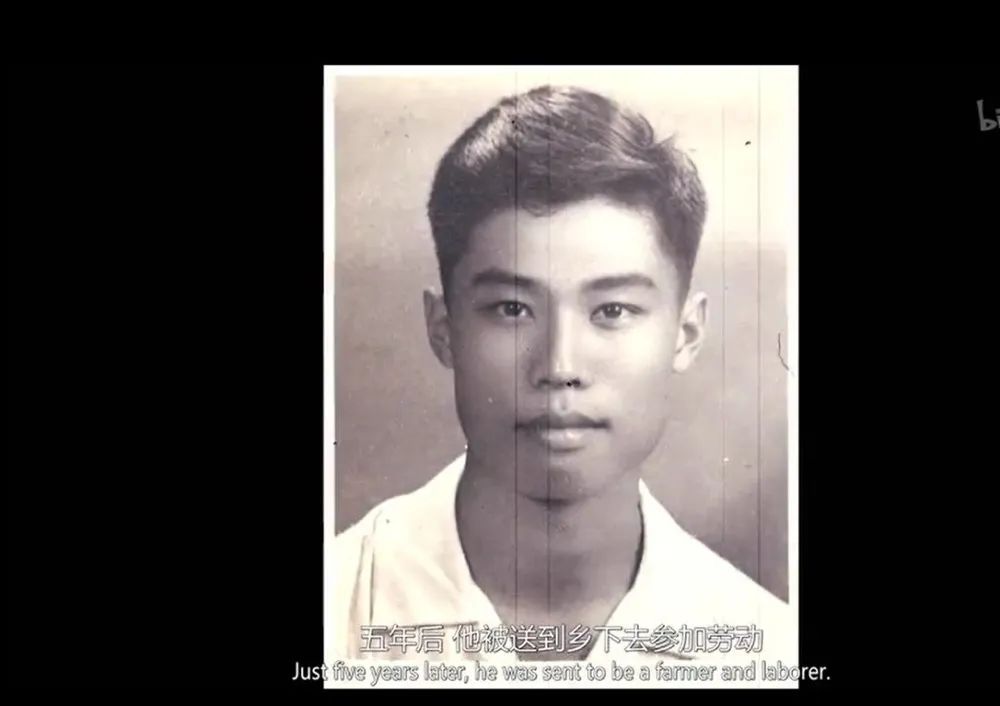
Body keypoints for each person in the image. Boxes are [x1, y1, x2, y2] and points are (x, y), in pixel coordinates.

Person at [328, 85, 794, 670]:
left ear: (686, 333)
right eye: (512, 309)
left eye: (612, 310)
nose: (560, 367)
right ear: (444, 329)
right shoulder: (337, 607)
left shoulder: (773, 651)